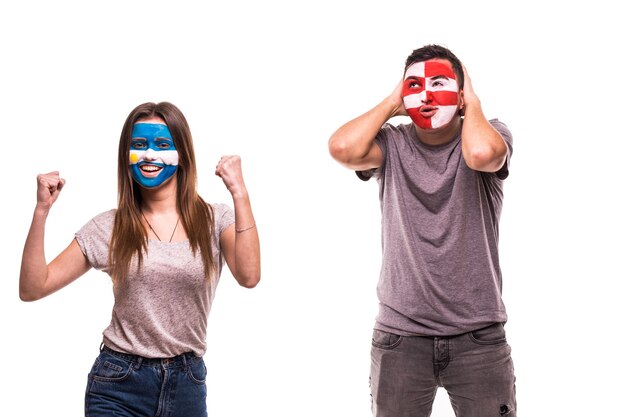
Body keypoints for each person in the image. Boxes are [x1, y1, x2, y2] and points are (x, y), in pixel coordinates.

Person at [19, 101, 261, 416]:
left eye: (161, 145)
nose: (148, 154)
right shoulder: (110, 226)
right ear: (126, 156)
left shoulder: (215, 220)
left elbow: (249, 275)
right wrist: (41, 211)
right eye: (138, 145)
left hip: (187, 385)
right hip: (118, 384)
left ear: (182, 154)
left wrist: (239, 191)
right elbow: (33, 288)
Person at [328, 44, 516, 416]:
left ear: (462, 95)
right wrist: (391, 102)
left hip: (478, 337)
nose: (426, 95)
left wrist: (472, 101)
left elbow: (481, 155)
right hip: (401, 337)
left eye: (439, 84)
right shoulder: (392, 143)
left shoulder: (491, 133)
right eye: (414, 85)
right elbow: (341, 147)